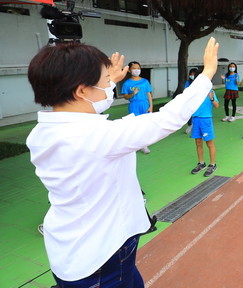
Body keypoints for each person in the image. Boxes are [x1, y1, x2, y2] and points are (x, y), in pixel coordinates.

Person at [26, 38, 219, 287]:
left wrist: (106, 83)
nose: (111, 87)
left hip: (72, 250)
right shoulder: (97, 137)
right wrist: (207, 75)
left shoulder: (43, 132)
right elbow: (169, 118)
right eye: (106, 81)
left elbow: (86, 109)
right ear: (82, 91)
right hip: (104, 256)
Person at [121, 61, 153, 154]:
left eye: (138, 68)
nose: (136, 70)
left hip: (144, 104)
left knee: (145, 125)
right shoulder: (127, 83)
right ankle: (139, 144)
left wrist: (151, 106)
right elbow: (126, 97)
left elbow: (149, 94)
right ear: (129, 70)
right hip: (134, 105)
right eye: (134, 68)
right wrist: (132, 94)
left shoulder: (145, 81)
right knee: (135, 126)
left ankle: (144, 144)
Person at [190, 89, 219, 177]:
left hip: (206, 120)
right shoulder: (194, 92)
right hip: (195, 119)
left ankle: (212, 165)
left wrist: (212, 99)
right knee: (198, 142)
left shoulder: (211, 92)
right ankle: (201, 163)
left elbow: (217, 105)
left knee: (209, 143)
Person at [184, 68, 200, 134]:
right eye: (191, 74)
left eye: (193, 74)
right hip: (189, 100)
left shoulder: (200, 82)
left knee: (197, 113)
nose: (192, 75)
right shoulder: (188, 82)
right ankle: (190, 125)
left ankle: (197, 126)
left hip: (197, 100)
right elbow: (185, 90)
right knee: (188, 113)